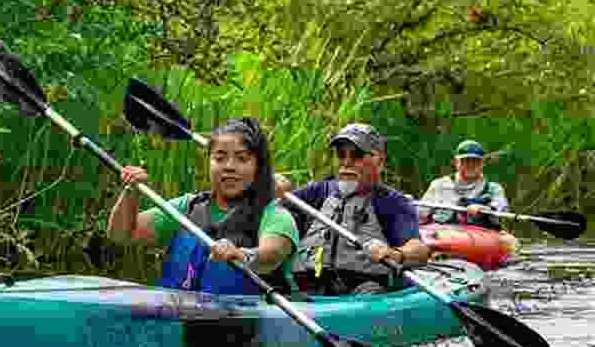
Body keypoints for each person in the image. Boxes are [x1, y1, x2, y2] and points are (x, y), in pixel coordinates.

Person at [107, 117, 299, 296]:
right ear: (209, 162)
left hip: (245, 326)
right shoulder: (187, 206)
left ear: (258, 167)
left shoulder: (274, 214)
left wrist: (241, 255)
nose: (229, 166)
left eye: (242, 159)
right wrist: (131, 192)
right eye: (220, 158)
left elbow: (271, 255)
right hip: (177, 320)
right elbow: (120, 234)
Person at [275, 123, 430, 296]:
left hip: (363, 291)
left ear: (379, 161)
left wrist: (395, 254)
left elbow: (419, 250)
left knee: (370, 292)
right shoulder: (317, 192)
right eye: (341, 155)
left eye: (357, 155)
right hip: (308, 291)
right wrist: (274, 186)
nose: (346, 162)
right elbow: (272, 206)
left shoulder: (391, 202)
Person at [419, 140, 509, 230]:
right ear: (456, 162)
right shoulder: (439, 185)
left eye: (475, 161)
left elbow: (502, 213)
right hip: (442, 234)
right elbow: (420, 215)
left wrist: (484, 209)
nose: (470, 165)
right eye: (465, 161)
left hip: (482, 236)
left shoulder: (494, 189)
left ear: (483, 163)